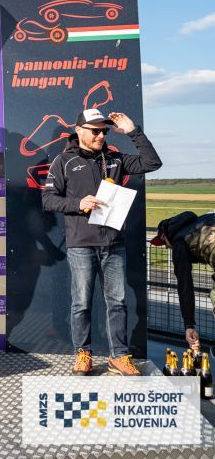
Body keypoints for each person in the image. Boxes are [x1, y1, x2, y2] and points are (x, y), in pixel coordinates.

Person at [42, 108, 162, 375]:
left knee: (117, 302)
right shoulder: (64, 161)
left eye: (104, 131)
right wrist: (78, 203)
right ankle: (82, 353)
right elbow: (48, 200)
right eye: (95, 131)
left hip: (114, 243)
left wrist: (133, 132)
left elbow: (153, 163)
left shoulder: (115, 159)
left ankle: (119, 356)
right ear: (79, 131)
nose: (101, 135)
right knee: (81, 303)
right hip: (81, 244)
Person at [151, 211, 215, 350]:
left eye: (164, 243)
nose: (166, 247)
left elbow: (185, 286)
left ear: (164, 236)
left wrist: (189, 325)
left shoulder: (179, 243)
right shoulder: (200, 221)